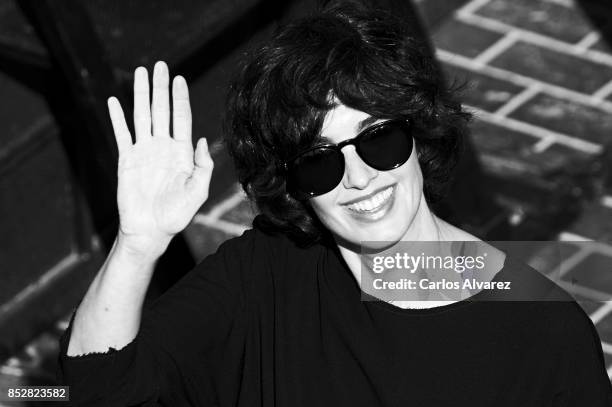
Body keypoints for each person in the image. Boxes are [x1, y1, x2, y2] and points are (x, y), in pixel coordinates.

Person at [58, 3, 612, 406]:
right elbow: (96, 386)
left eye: (379, 141)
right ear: (294, 183)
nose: (360, 178)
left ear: (418, 136)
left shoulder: (540, 333)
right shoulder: (264, 276)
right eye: (320, 162)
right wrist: (138, 245)